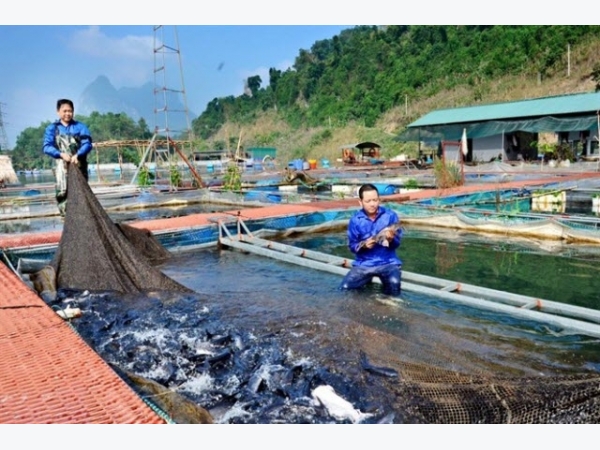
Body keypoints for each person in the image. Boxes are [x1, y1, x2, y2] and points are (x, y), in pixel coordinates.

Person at [340, 183, 402, 295]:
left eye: (375, 200)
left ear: (379, 199)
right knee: (345, 288)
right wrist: (363, 246)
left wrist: (391, 239)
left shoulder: (390, 216)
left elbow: (397, 244)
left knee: (394, 284)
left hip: (388, 262)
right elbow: (352, 246)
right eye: (368, 201)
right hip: (364, 264)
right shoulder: (355, 220)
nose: (373, 204)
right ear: (360, 202)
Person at [42, 99, 93, 215]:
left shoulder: (80, 127)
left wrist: (78, 154)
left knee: (81, 192)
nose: (67, 114)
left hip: (78, 165)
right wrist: (60, 154)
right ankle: (66, 219)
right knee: (62, 192)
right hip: (61, 167)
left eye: (70, 111)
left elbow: (87, 144)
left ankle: (83, 218)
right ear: (58, 112)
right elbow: (46, 147)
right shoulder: (52, 128)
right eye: (64, 111)